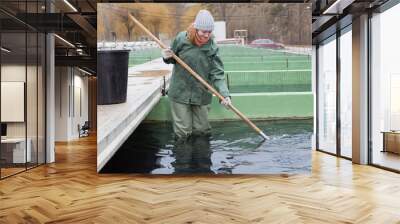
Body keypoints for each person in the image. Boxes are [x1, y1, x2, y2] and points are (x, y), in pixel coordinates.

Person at [162, 9, 231, 140]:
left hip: (201, 94)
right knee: (183, 133)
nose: (206, 35)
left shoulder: (212, 48)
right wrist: (166, 56)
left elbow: (217, 74)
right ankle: (184, 158)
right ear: (196, 28)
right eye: (204, 32)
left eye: (209, 32)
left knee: (202, 131)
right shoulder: (182, 39)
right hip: (180, 92)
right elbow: (172, 58)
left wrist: (224, 95)